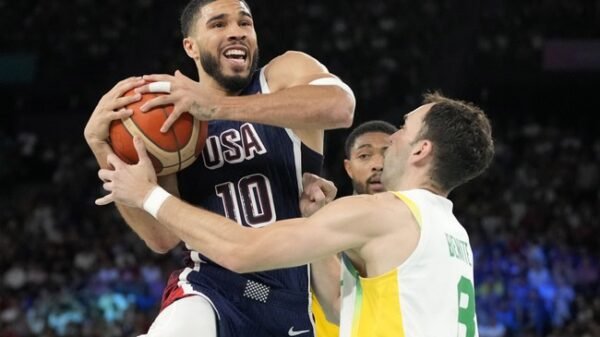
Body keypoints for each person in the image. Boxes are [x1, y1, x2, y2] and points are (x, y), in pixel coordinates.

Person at [97, 92, 495, 336]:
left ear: (422, 150)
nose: (392, 137)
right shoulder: (451, 232)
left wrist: (148, 195)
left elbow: (243, 251)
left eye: (405, 127)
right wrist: (315, 223)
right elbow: (342, 312)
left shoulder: (384, 213)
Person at [83, 0, 355, 335]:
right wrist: (101, 147)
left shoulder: (281, 75)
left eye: (245, 23)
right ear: (190, 46)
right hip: (209, 286)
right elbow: (162, 237)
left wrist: (218, 107)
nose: (237, 32)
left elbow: (340, 106)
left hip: (290, 294)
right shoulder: (171, 120)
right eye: (219, 24)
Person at [313, 120, 398, 337]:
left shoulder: (418, 226)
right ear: (348, 168)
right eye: (364, 156)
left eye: (387, 154)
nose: (378, 164)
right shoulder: (318, 220)